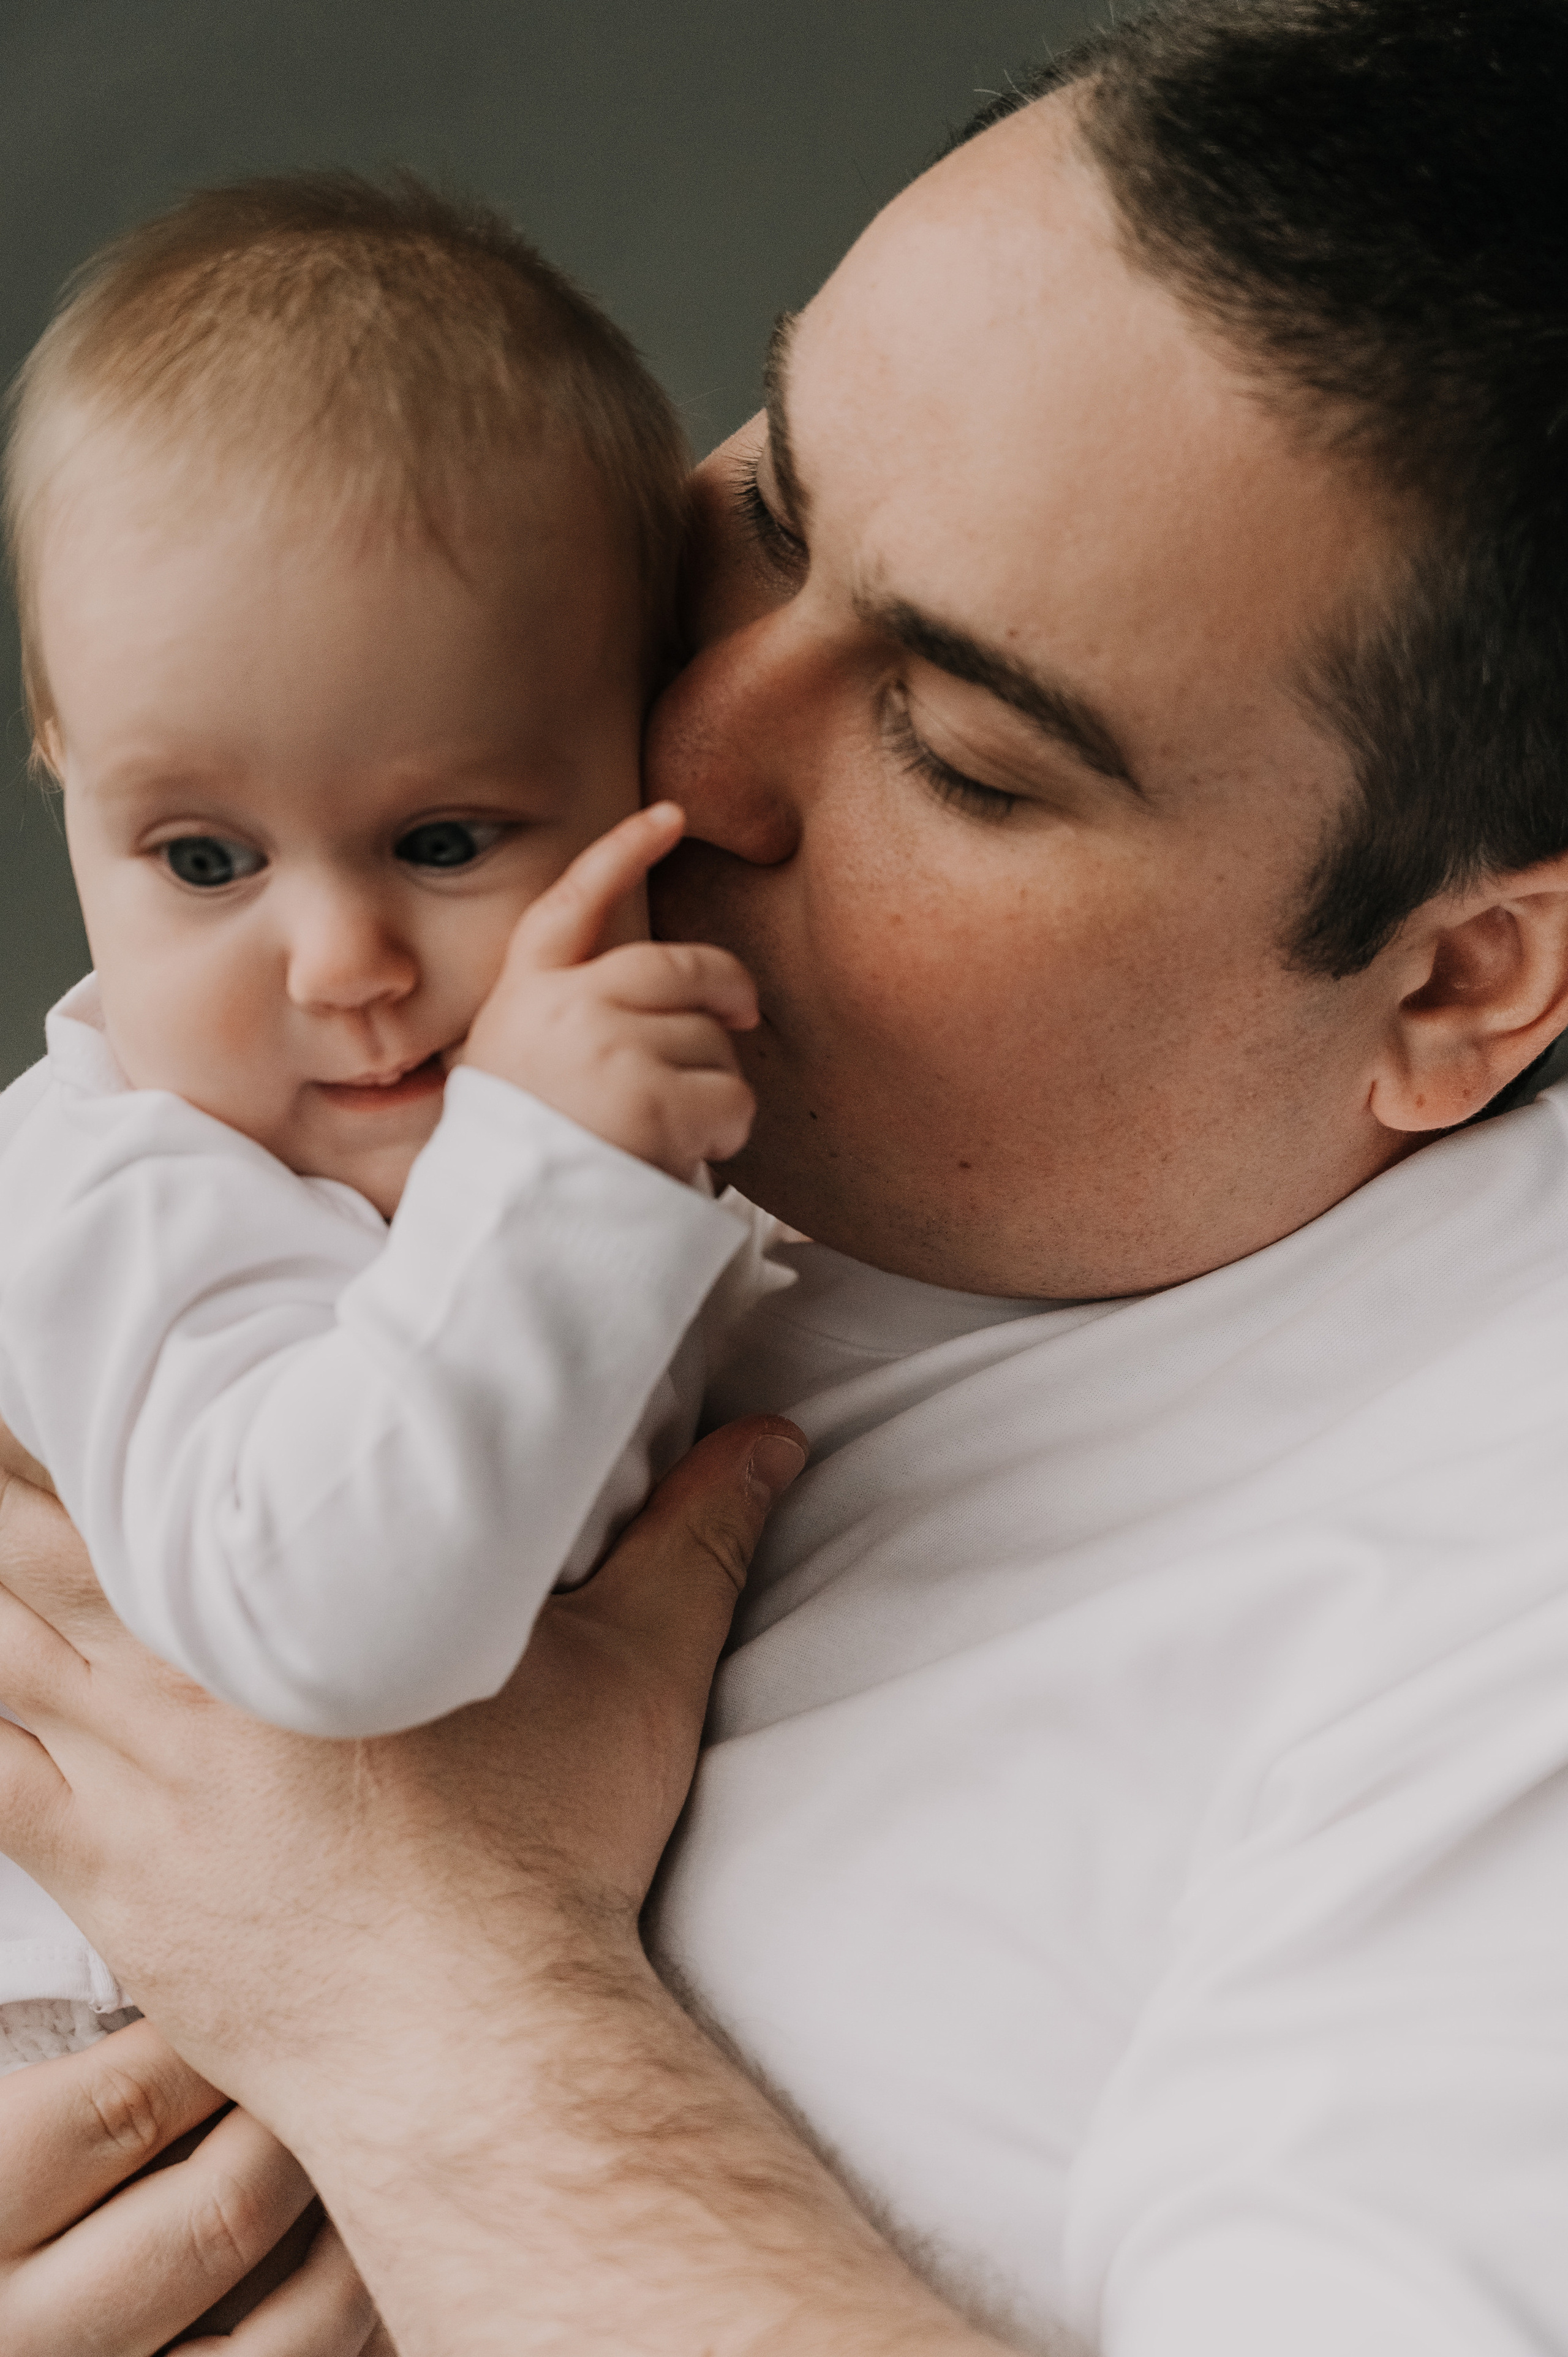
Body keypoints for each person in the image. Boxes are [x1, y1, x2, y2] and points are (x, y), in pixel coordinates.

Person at [4, 2, 1568, 2351]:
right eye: (762, 513)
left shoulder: (1496, 1607)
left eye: (956, 750)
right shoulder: (503, 1105)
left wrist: (410, 1978)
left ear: (1458, 984)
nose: (691, 737)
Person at [0, 174, 772, 2064]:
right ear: (63, 783)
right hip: (98, 2055)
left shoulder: (513, 1154)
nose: (341, 959)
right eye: (202, 857)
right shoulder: (114, 1196)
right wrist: (559, 1172)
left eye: (444, 842)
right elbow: (325, 1622)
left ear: (646, 759)